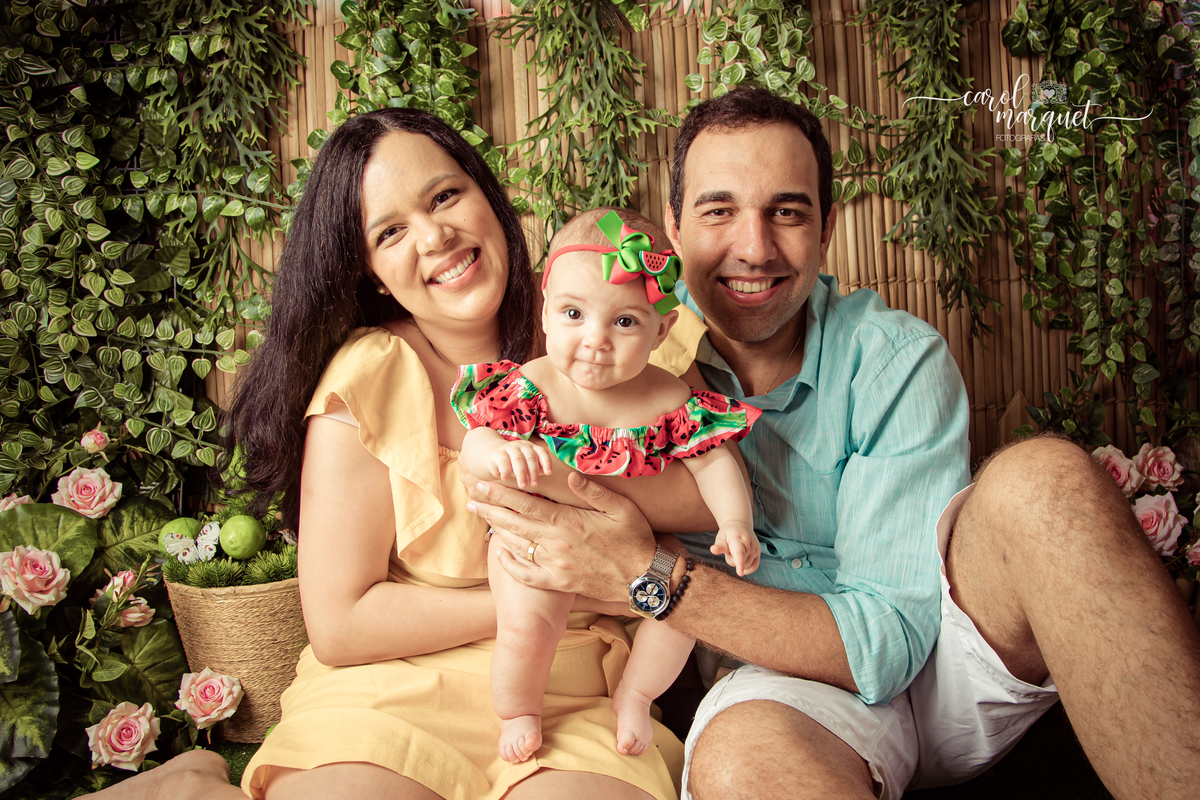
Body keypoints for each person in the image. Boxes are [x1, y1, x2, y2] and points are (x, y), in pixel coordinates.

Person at [467, 85, 1200, 800]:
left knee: (1049, 479)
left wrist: (645, 571)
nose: (754, 248)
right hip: (779, 678)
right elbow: (523, 451)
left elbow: (889, 642)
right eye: (719, 211)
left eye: (786, 212)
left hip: (945, 649)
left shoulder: (892, 358)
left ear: (826, 229)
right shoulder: (618, 329)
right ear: (675, 228)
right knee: (745, 763)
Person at [86, 108, 726, 800]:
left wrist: (558, 482)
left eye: (445, 196)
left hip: (577, 697)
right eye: (389, 232)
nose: (434, 236)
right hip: (388, 689)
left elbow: (705, 495)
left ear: (489, 199)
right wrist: (538, 594)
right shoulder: (371, 376)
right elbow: (340, 625)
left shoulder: (617, 321)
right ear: (373, 274)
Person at [454, 208, 761, 764]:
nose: (595, 340)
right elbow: (475, 441)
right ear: (545, 311)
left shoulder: (668, 397)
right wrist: (500, 452)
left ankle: (635, 696)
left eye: (624, 322)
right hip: (535, 544)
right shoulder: (531, 384)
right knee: (527, 623)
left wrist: (735, 521)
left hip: (640, 550)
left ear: (661, 330)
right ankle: (519, 710)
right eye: (573, 314)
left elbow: (714, 463)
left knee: (682, 612)